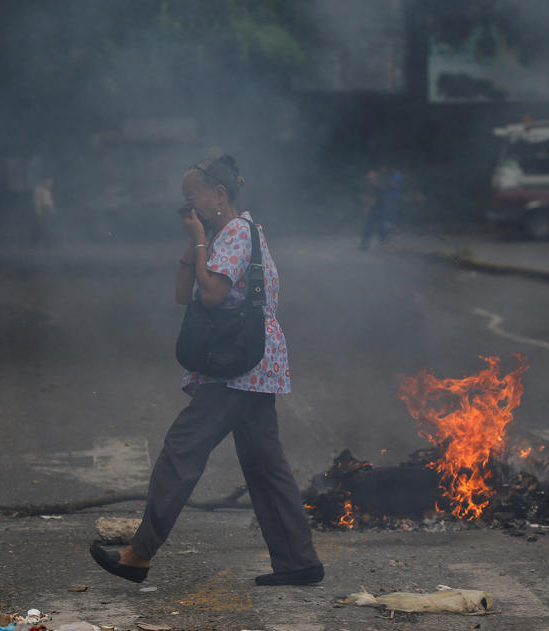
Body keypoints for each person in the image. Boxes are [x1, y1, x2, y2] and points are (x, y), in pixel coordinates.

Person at [89, 155, 323, 586]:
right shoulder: (220, 236)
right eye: (184, 198)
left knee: (182, 449)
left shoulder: (235, 233)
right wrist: (194, 242)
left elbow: (212, 295)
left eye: (193, 195)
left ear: (219, 193)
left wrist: (200, 239)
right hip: (248, 362)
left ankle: (138, 555)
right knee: (264, 463)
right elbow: (184, 294)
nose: (188, 203)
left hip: (239, 367)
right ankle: (299, 562)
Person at [358, 169, 385, 250]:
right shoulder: (371, 187)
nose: (369, 180)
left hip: (377, 210)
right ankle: (382, 241)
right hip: (375, 210)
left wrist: (367, 208)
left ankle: (365, 245)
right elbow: (369, 197)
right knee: (375, 227)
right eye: (369, 178)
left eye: (371, 178)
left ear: (375, 179)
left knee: (369, 227)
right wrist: (364, 199)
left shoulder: (377, 187)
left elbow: (374, 200)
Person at [32, 177, 57, 246]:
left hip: (48, 210)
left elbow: (50, 202)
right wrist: (39, 211)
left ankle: (48, 243)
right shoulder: (39, 189)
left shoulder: (47, 190)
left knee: (48, 227)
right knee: (45, 228)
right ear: (45, 181)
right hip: (44, 210)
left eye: (51, 182)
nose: (51, 184)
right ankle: (44, 243)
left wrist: (53, 210)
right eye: (49, 182)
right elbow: (37, 201)